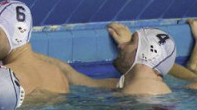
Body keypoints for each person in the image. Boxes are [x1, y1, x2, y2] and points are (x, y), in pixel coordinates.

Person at [42, 22, 176, 96]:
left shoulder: (139, 90)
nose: (121, 45)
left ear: (144, 54)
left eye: (130, 41)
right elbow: (72, 75)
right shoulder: (127, 85)